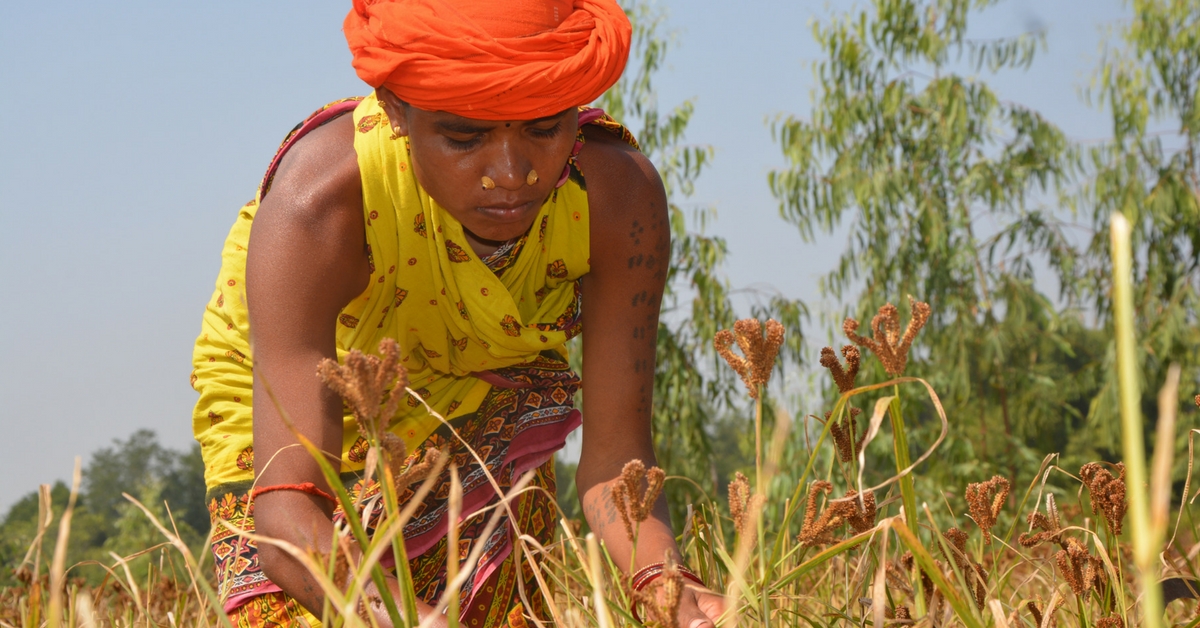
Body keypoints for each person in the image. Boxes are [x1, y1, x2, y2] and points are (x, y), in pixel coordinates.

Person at [190, 0, 724, 625]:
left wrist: (669, 589)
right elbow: (286, 521)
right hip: (298, 412)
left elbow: (614, 464)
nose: (510, 173)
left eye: (545, 128)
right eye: (463, 137)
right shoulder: (318, 210)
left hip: (481, 392)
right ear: (396, 110)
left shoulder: (614, 200)